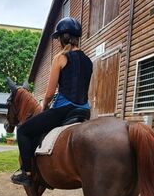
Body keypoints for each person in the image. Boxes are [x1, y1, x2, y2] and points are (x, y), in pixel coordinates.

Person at [12, 17, 93, 186]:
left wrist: (45, 107)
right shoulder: (88, 61)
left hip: (64, 110)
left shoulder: (60, 58)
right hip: (84, 111)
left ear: (63, 37)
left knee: (24, 131)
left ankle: (26, 172)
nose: (57, 42)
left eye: (58, 39)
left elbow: (49, 94)